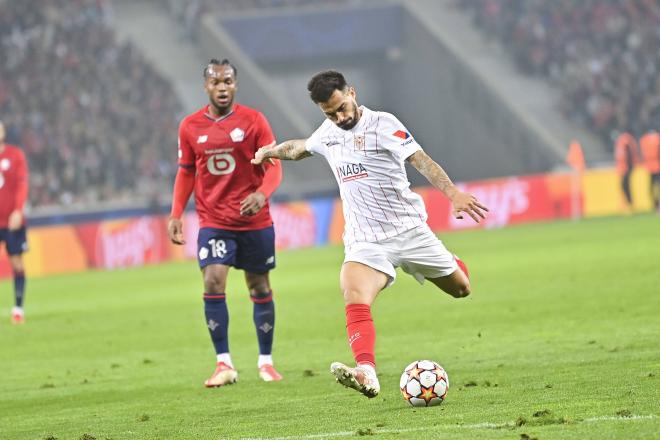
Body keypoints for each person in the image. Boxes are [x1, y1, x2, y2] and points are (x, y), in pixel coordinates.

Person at [252, 70, 488, 398]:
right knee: (353, 293)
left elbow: (421, 161)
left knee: (461, 290)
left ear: (352, 92)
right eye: (330, 113)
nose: (340, 116)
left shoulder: (383, 124)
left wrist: (453, 195)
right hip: (366, 240)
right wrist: (269, 152)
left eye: (342, 107)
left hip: (410, 231)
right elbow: (298, 149)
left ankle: (451, 262)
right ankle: (366, 370)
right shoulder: (328, 132)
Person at [168, 59, 284, 387]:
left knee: (258, 286)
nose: (222, 88)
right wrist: (177, 213)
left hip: (255, 221)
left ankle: (266, 361)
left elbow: (274, 166)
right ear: (206, 86)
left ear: (235, 84)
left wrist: (262, 194)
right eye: (216, 82)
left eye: (228, 82)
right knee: (213, 282)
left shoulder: (254, 121)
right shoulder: (190, 127)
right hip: (214, 221)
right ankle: (224, 364)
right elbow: (186, 172)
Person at [0, 120, 29, 324]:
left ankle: (18, 307)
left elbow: (22, 184)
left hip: (11, 221)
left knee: (16, 262)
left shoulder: (15, 154)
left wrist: (18, 211)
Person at [614, 132, 638, 212]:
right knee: (624, 186)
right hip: (624, 167)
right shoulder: (624, 140)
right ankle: (628, 204)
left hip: (626, 167)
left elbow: (628, 154)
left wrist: (628, 166)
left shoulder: (625, 140)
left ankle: (630, 204)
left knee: (625, 185)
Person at [639, 130, 660, 212]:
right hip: (656, 167)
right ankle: (656, 205)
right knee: (656, 187)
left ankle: (656, 205)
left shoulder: (644, 140)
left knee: (652, 187)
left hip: (650, 167)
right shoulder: (657, 139)